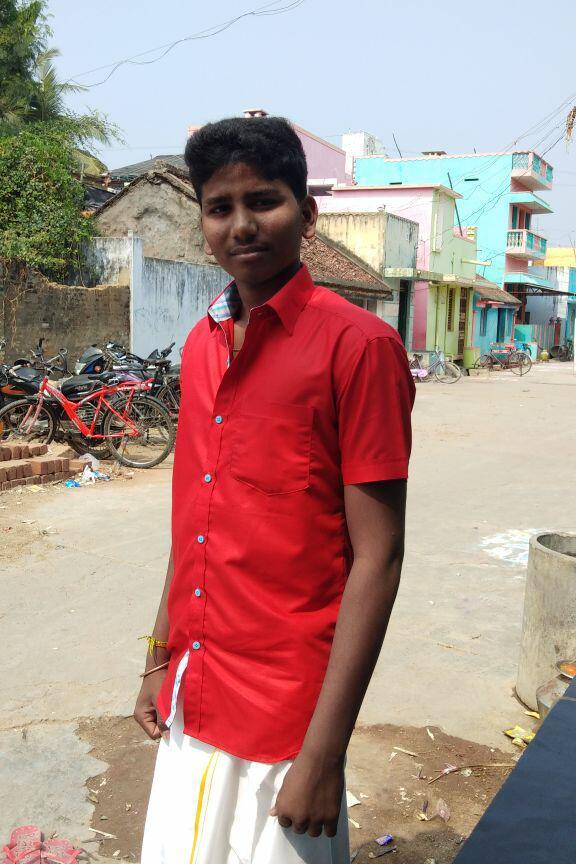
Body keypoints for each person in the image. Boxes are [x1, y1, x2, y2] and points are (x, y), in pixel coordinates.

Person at [135, 115, 415, 864]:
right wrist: (159, 659)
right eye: (219, 207)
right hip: (195, 691)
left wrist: (323, 756)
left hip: (287, 720)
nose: (241, 225)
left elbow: (379, 557)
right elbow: (194, 524)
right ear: (202, 223)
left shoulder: (360, 347)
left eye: (264, 201)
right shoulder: (201, 344)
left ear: (307, 212)